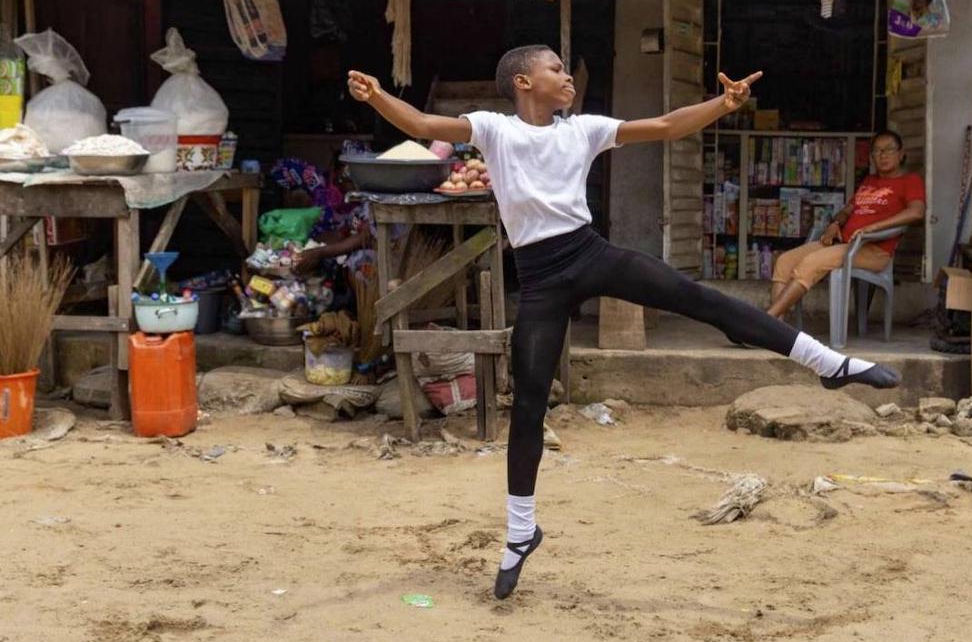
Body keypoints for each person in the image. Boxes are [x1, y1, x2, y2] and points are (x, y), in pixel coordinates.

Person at [346, 46, 902, 600]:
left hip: (591, 254)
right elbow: (419, 123)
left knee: (699, 300)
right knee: (530, 404)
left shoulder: (583, 129)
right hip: (539, 279)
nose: (567, 76)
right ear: (523, 81)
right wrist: (377, 95)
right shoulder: (493, 129)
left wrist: (722, 105)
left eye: (566, 69)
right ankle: (520, 533)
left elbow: (662, 125)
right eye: (556, 69)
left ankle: (826, 363)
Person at [767, 131, 926, 320]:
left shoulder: (910, 181)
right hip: (842, 244)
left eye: (889, 149)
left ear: (901, 154)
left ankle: (766, 321)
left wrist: (874, 227)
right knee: (785, 261)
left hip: (873, 250)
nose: (883, 155)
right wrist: (836, 223)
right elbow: (847, 210)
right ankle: (776, 325)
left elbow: (917, 212)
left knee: (811, 263)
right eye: (877, 151)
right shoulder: (869, 181)